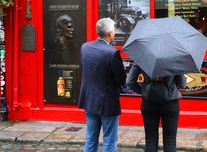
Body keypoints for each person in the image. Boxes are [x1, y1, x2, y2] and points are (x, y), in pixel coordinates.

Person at [78, 18, 126, 152]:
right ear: (110, 33)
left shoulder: (85, 47)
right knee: (110, 140)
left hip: (89, 100)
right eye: (114, 30)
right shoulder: (112, 53)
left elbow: (84, 69)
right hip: (107, 103)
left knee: (91, 138)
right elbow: (121, 79)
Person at [126, 65, 186, 152]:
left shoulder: (142, 58)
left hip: (149, 101)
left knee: (150, 140)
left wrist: (143, 90)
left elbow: (130, 82)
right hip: (170, 102)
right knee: (170, 141)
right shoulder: (174, 59)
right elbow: (182, 84)